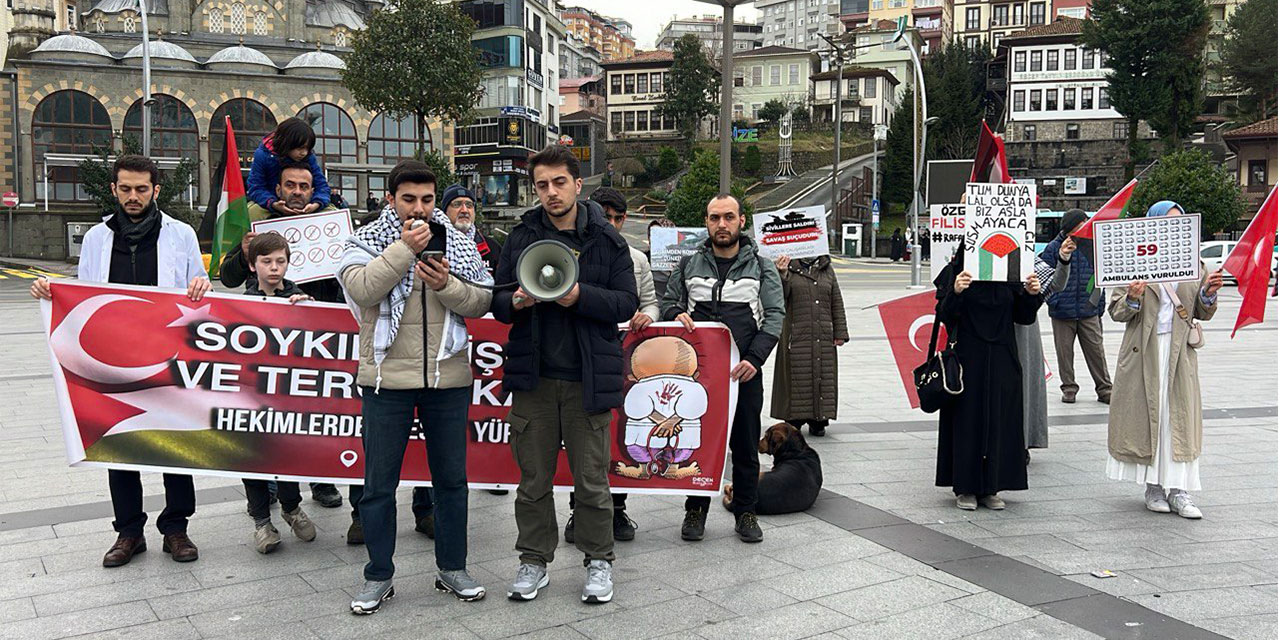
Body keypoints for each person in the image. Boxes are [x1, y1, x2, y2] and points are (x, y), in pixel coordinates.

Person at [31, 155, 210, 567]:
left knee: (174, 442)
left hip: (166, 358)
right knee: (119, 441)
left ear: (156, 191)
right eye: (126, 188)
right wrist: (51, 290)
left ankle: (176, 529)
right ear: (113, 189)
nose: (133, 196)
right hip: (112, 359)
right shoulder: (96, 237)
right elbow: (85, 291)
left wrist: (200, 285)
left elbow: (196, 297)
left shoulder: (180, 234)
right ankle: (129, 532)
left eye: (141, 189)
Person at [340, 160, 493, 614]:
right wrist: (404, 250)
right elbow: (363, 290)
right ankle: (377, 576)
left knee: (451, 481)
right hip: (387, 380)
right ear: (391, 199)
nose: (420, 209)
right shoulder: (364, 241)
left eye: (428, 200)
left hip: (448, 379)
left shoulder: (459, 242)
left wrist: (446, 285)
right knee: (378, 485)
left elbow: (482, 299)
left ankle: (453, 567)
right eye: (409, 199)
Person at [491, 145, 637, 604]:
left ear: (578, 184)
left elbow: (626, 303)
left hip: (586, 381)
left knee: (591, 481)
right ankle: (534, 560)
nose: (551, 193)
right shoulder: (520, 236)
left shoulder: (607, 240)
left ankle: (598, 562)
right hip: (534, 380)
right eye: (542, 185)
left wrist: (581, 298)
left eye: (559, 183)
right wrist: (515, 301)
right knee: (533, 480)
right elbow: (497, 299)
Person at [218, 161, 348, 513]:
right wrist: (243, 251)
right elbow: (228, 277)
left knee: (315, 410)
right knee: (267, 408)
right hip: (266, 337)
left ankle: (322, 479)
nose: (296, 192)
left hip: (315, 337)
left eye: (303, 186)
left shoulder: (331, 220)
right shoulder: (258, 223)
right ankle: (270, 482)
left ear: (313, 189)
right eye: (290, 185)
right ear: (278, 189)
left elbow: (345, 277)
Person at [662, 194, 785, 543]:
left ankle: (746, 511)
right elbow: (669, 302)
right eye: (715, 218)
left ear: (741, 221)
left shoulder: (762, 267)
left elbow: (775, 316)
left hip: (744, 373)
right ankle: (695, 509)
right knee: (697, 444)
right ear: (706, 221)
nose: (722, 224)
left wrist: (755, 359)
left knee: (745, 446)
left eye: (729, 217)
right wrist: (674, 314)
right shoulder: (688, 265)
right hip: (698, 378)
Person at [1105, 201, 1222, 519]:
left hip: (1179, 353)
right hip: (1144, 350)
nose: (1174, 228)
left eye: (1179, 223)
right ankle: (1153, 486)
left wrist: (1208, 294)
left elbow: (1200, 310)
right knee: (1149, 419)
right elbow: (1116, 311)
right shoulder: (1134, 262)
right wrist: (1132, 296)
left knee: (1177, 419)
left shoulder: (1194, 264)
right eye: (1168, 222)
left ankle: (1180, 490)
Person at [408, 183, 505, 541]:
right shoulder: (429, 241)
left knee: (478, 426)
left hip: (480, 355)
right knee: (425, 437)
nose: (464, 210)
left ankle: (491, 476)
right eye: (456, 205)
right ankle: (425, 505)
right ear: (443, 214)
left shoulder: (491, 248)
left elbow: (495, 292)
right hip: (438, 356)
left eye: (469, 204)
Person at [561, 187, 657, 545]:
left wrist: (646, 316)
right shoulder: (573, 252)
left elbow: (649, 302)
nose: (611, 224)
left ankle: (617, 510)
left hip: (626, 360)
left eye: (618, 218)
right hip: (587, 358)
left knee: (621, 439)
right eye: (605, 216)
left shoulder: (635, 258)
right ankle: (578, 511)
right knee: (585, 442)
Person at [934, 242, 1042, 510]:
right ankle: (965, 487)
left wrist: (1031, 295)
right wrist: (956, 291)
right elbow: (945, 315)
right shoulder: (958, 272)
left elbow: (1024, 317)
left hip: (1003, 357)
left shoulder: (1010, 277)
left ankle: (992, 486)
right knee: (967, 421)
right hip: (968, 359)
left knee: (1000, 420)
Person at [239, 233, 319, 553]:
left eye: (280, 261)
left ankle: (291, 507)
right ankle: (261, 521)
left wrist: (313, 312)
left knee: (288, 454)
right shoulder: (240, 303)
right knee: (252, 457)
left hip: (288, 395)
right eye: (266, 261)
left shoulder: (300, 297)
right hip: (251, 395)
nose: (274, 268)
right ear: (252, 264)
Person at [769, 253, 848, 437]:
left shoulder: (826, 268)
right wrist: (782, 274)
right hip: (796, 335)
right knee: (797, 375)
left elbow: (836, 301)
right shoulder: (786, 266)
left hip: (823, 335)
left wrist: (840, 332)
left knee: (823, 375)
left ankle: (819, 420)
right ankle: (794, 419)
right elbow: (778, 298)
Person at [1040, 209, 1113, 404]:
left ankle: (1105, 388)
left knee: (1096, 351)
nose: (1086, 225)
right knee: (1064, 354)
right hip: (1062, 312)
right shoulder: (1053, 247)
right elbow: (1043, 275)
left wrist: (1099, 305)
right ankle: (1069, 388)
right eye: (1082, 223)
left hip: (1089, 310)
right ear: (1072, 226)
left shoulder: (1093, 245)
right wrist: (1054, 301)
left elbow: (1101, 278)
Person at [246, 117, 331, 221]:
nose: (303, 153)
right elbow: (256, 187)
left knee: (332, 212)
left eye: (307, 148)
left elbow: (322, 186)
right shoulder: (263, 155)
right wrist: (272, 203)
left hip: (305, 204)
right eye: (300, 148)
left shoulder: (308, 157)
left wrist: (317, 203)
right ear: (286, 143)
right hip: (270, 205)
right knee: (251, 212)